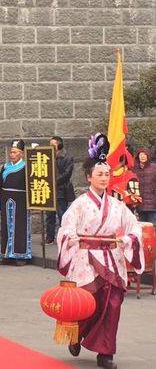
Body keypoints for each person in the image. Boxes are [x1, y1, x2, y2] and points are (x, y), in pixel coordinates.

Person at [57, 133, 144, 369]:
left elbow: (134, 227)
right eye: (99, 174)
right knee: (88, 304)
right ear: (89, 177)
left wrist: (127, 239)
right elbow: (65, 229)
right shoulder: (80, 205)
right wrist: (71, 238)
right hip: (86, 260)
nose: (105, 178)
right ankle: (77, 335)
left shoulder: (117, 205)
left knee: (113, 305)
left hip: (112, 260)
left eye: (107, 174)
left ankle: (105, 352)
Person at [0, 139, 32, 266]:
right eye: (11, 152)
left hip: (20, 201)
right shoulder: (5, 167)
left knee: (19, 228)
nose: (12, 155)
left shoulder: (26, 167)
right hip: (5, 200)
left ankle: (21, 255)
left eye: (15, 152)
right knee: (6, 227)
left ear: (21, 153)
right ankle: (6, 255)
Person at [45, 136, 75, 244]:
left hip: (61, 190)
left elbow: (66, 174)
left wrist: (53, 180)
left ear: (59, 146)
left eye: (52, 144)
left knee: (62, 214)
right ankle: (49, 237)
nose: (50, 147)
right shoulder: (47, 157)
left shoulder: (67, 158)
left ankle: (64, 237)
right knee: (49, 216)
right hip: (49, 190)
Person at [133, 148, 156, 224]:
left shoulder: (154, 168)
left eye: (144, 154)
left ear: (148, 156)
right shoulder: (134, 169)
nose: (143, 156)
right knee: (143, 229)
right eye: (141, 154)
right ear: (138, 157)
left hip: (153, 205)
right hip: (140, 204)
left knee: (152, 228)